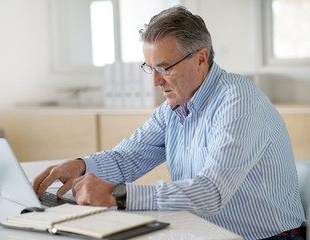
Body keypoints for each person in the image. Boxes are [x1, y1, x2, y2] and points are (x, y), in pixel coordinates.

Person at [33, 6, 306, 240]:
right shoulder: (174, 107)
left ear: (201, 59)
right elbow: (128, 158)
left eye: (164, 68)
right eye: (150, 68)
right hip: (202, 231)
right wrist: (81, 165)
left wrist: (118, 195)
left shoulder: (239, 102)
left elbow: (211, 192)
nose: (155, 81)